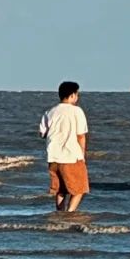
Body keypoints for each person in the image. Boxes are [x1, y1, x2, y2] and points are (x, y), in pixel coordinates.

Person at [40, 81, 89, 213]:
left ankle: (60, 213)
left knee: (60, 189)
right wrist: (82, 156)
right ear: (72, 95)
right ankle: (70, 213)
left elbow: (42, 134)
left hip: (53, 156)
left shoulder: (50, 112)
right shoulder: (77, 111)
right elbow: (81, 136)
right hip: (71, 156)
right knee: (79, 189)